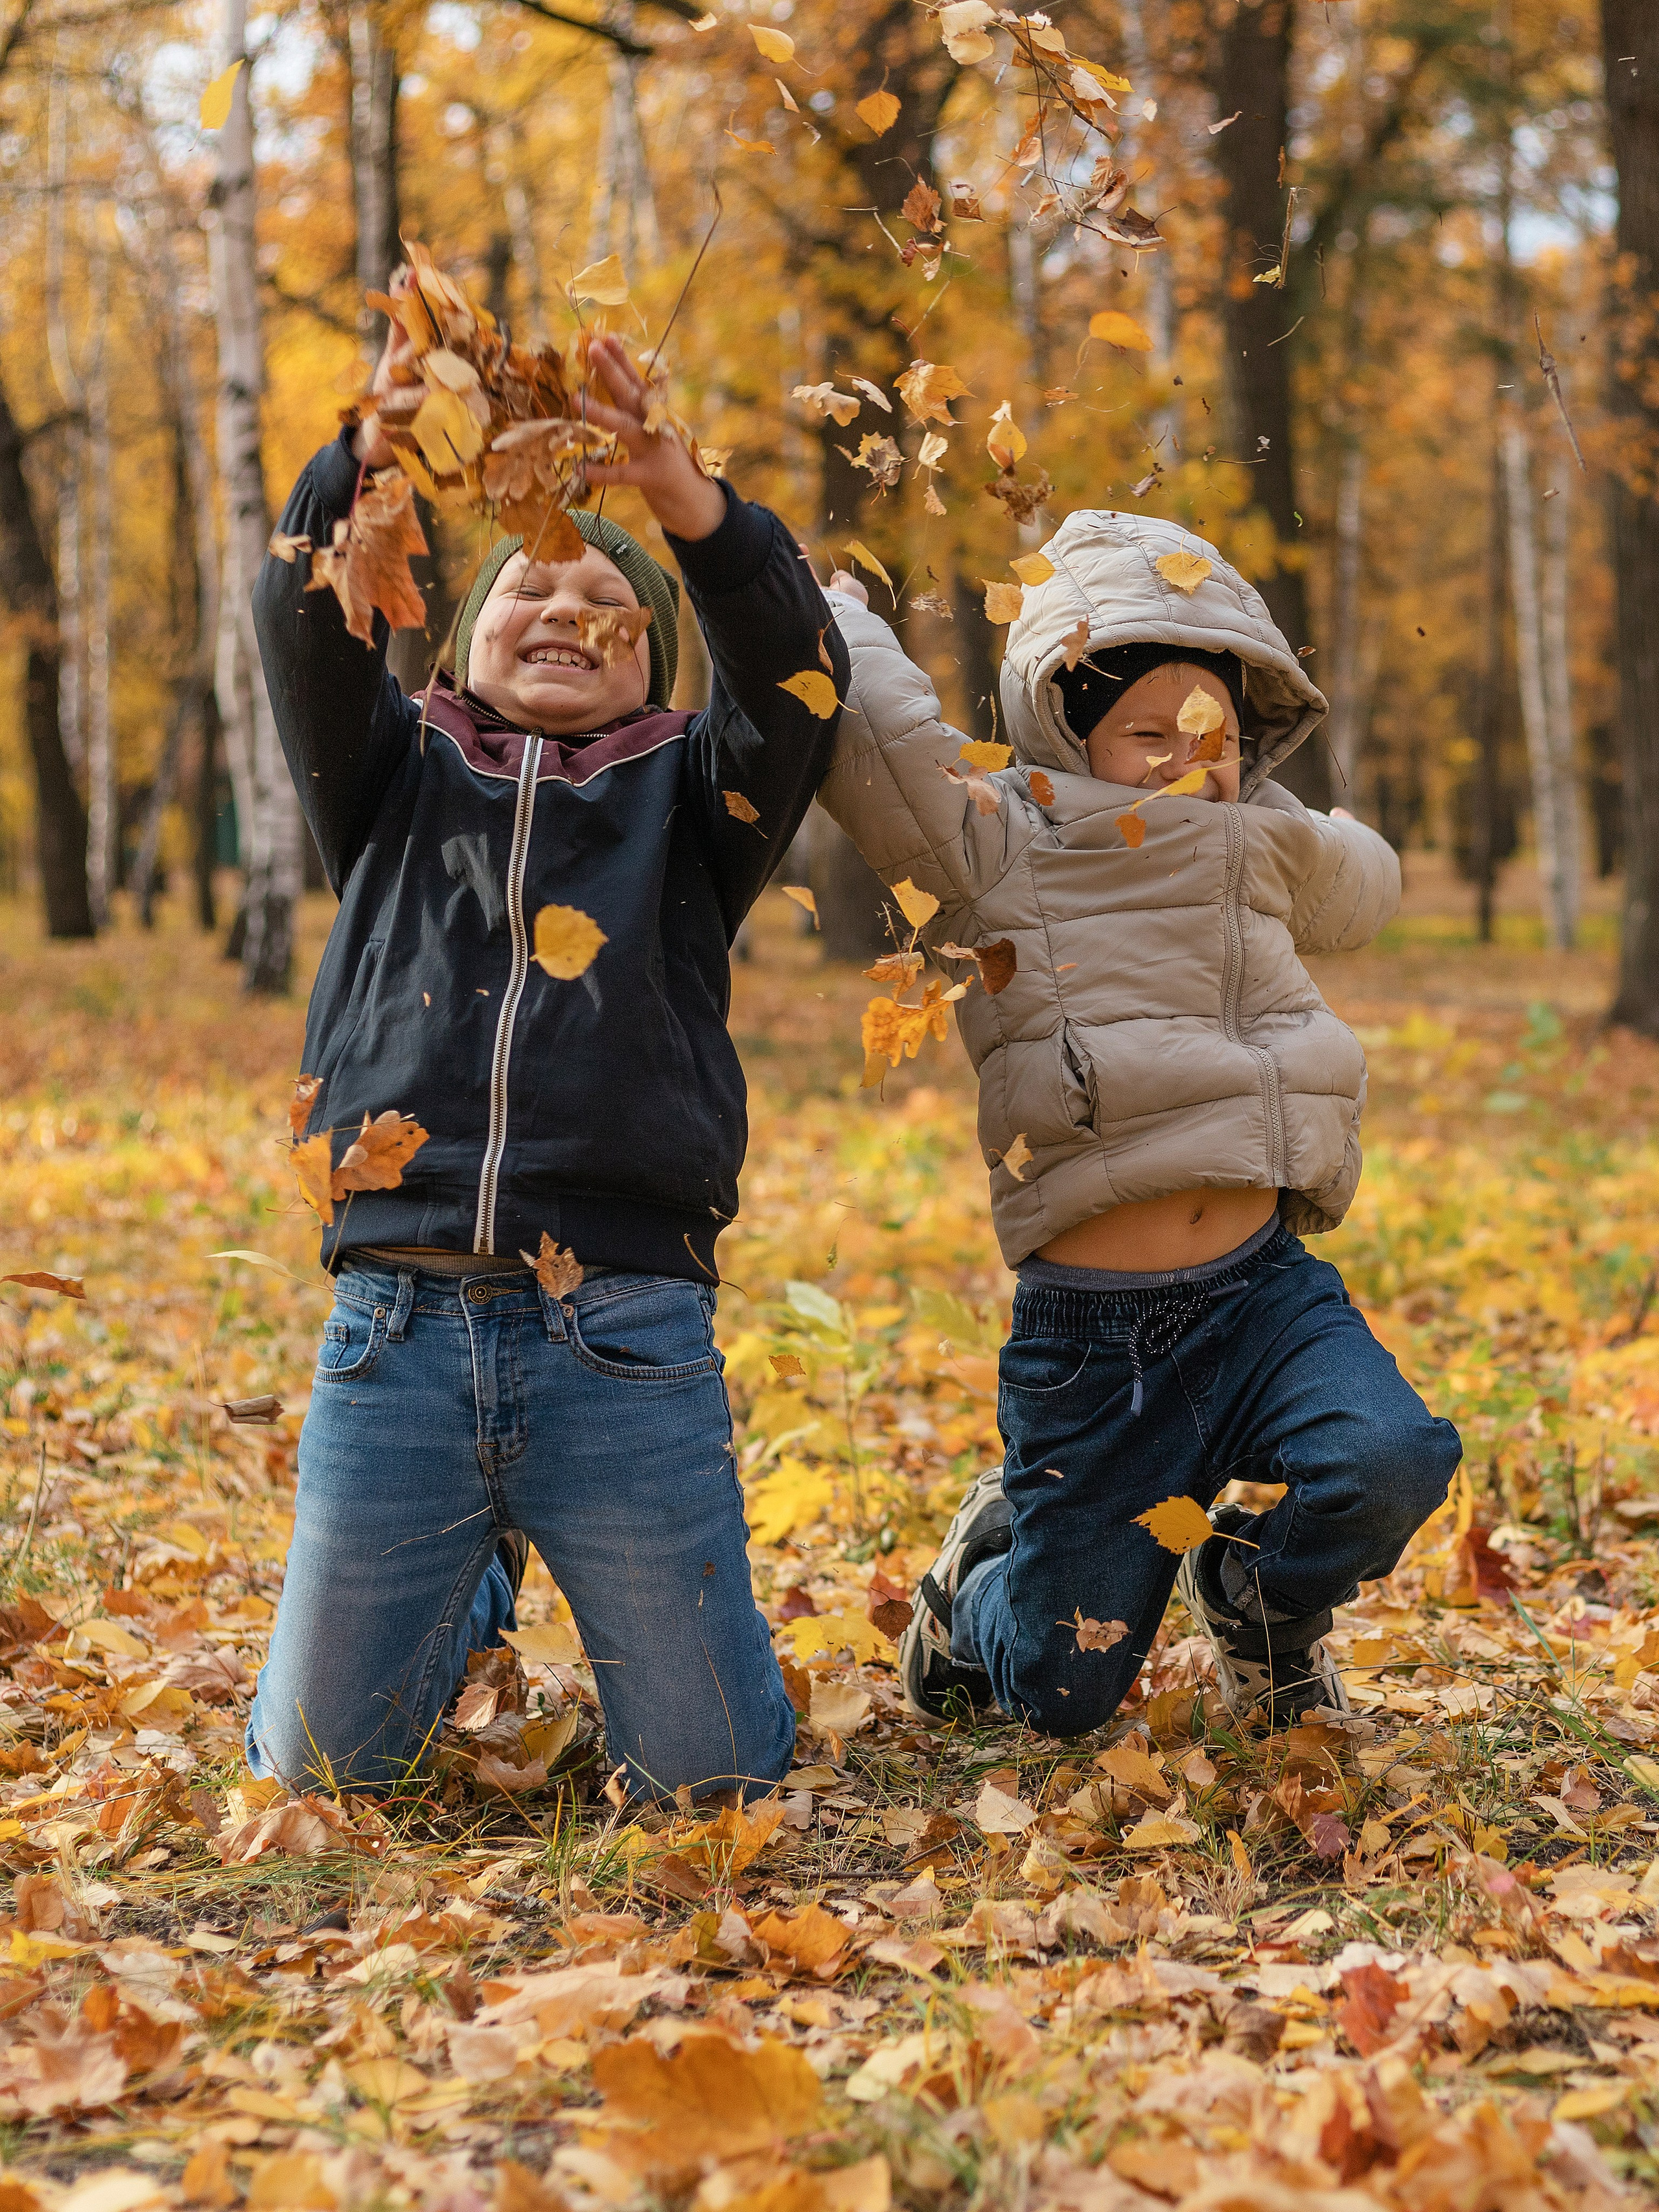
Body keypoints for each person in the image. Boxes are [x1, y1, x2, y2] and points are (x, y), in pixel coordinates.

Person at [247, 309, 844, 1802]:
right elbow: (300, 622)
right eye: (532, 584)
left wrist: (679, 493)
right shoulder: (393, 773)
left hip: (622, 1337)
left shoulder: (694, 802)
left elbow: (797, 674)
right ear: (460, 636)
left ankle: (517, 1555)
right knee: (318, 1778)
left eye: (612, 601)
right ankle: (466, 1575)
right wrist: (361, 464)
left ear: (656, 668)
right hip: (398, 1324)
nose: (569, 607)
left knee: (711, 1789)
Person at [820, 511, 1461, 1732]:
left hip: (1261, 1294)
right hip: (1094, 1343)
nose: (1185, 762)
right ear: (1071, 733)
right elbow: (892, 756)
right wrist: (839, 621)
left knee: (1390, 1459)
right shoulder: (1008, 839)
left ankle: (1260, 1602)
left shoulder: (1257, 841)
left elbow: (1364, 887)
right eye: (1148, 735)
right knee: (1066, 1689)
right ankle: (979, 1590)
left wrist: (1319, 832)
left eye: (1215, 736)